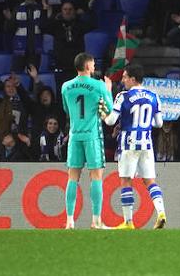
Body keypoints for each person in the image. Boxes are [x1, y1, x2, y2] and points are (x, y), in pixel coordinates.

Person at [103, 64, 167, 229]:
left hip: (129, 143)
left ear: (132, 78)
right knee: (150, 181)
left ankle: (128, 222)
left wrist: (103, 114)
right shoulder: (154, 96)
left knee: (126, 181)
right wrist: (143, 125)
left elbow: (110, 121)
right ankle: (161, 212)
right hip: (146, 143)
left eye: (125, 77)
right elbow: (159, 124)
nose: (123, 80)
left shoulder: (123, 96)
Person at [60, 52, 114, 229]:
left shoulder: (66, 86)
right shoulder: (98, 85)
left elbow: (67, 110)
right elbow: (110, 109)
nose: (94, 67)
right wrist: (108, 89)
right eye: (92, 64)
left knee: (72, 177)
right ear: (87, 66)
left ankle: (69, 221)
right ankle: (96, 220)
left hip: (74, 135)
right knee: (96, 176)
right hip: (92, 135)